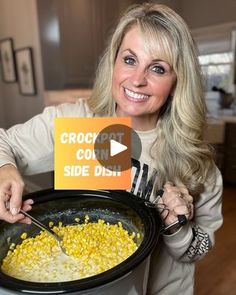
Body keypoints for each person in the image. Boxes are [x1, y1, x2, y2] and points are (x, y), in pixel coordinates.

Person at [0, 2, 223, 295]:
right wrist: (5, 170)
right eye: (130, 60)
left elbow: (198, 250)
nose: (138, 79)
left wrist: (177, 228)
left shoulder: (198, 162)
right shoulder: (74, 121)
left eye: (157, 68)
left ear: (177, 81)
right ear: (113, 61)